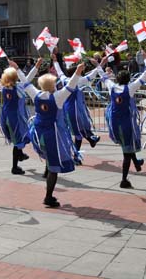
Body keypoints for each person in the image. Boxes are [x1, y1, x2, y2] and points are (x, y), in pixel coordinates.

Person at [28, 63, 84, 208]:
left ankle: (48, 187)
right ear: (52, 85)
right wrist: (77, 72)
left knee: (50, 161)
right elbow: (71, 86)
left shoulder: (36, 94)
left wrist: (33, 67)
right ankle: (48, 197)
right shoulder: (57, 97)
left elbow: (25, 82)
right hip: (53, 136)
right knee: (54, 167)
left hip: (39, 134)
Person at [0, 60, 37, 175]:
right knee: (18, 141)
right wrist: (36, 66)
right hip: (15, 119)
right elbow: (28, 79)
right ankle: (14, 167)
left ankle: (20, 155)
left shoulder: (4, 87)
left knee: (18, 139)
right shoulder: (19, 88)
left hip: (7, 117)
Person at [104, 64, 146, 188]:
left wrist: (98, 65)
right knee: (126, 153)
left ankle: (137, 163)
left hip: (114, 124)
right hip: (126, 124)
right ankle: (124, 180)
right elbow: (144, 76)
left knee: (126, 147)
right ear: (128, 79)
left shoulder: (112, 87)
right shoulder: (130, 88)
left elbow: (104, 77)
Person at [52, 56, 101, 162]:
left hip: (68, 110)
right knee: (78, 133)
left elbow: (60, 72)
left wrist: (55, 61)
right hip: (74, 111)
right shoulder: (77, 81)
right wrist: (99, 65)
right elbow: (92, 75)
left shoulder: (64, 79)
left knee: (79, 131)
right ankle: (76, 156)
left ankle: (91, 140)